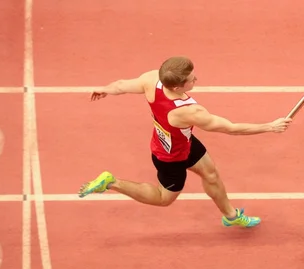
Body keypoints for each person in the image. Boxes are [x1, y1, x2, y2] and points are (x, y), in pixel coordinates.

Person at [78, 56, 292, 228]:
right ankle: (112, 182)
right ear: (179, 88)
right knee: (164, 198)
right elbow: (230, 128)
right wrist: (269, 127)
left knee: (210, 173)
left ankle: (231, 215)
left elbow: (121, 85)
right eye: (191, 79)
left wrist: (104, 89)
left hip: (183, 140)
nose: (195, 79)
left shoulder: (152, 79)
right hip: (169, 157)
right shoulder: (188, 112)